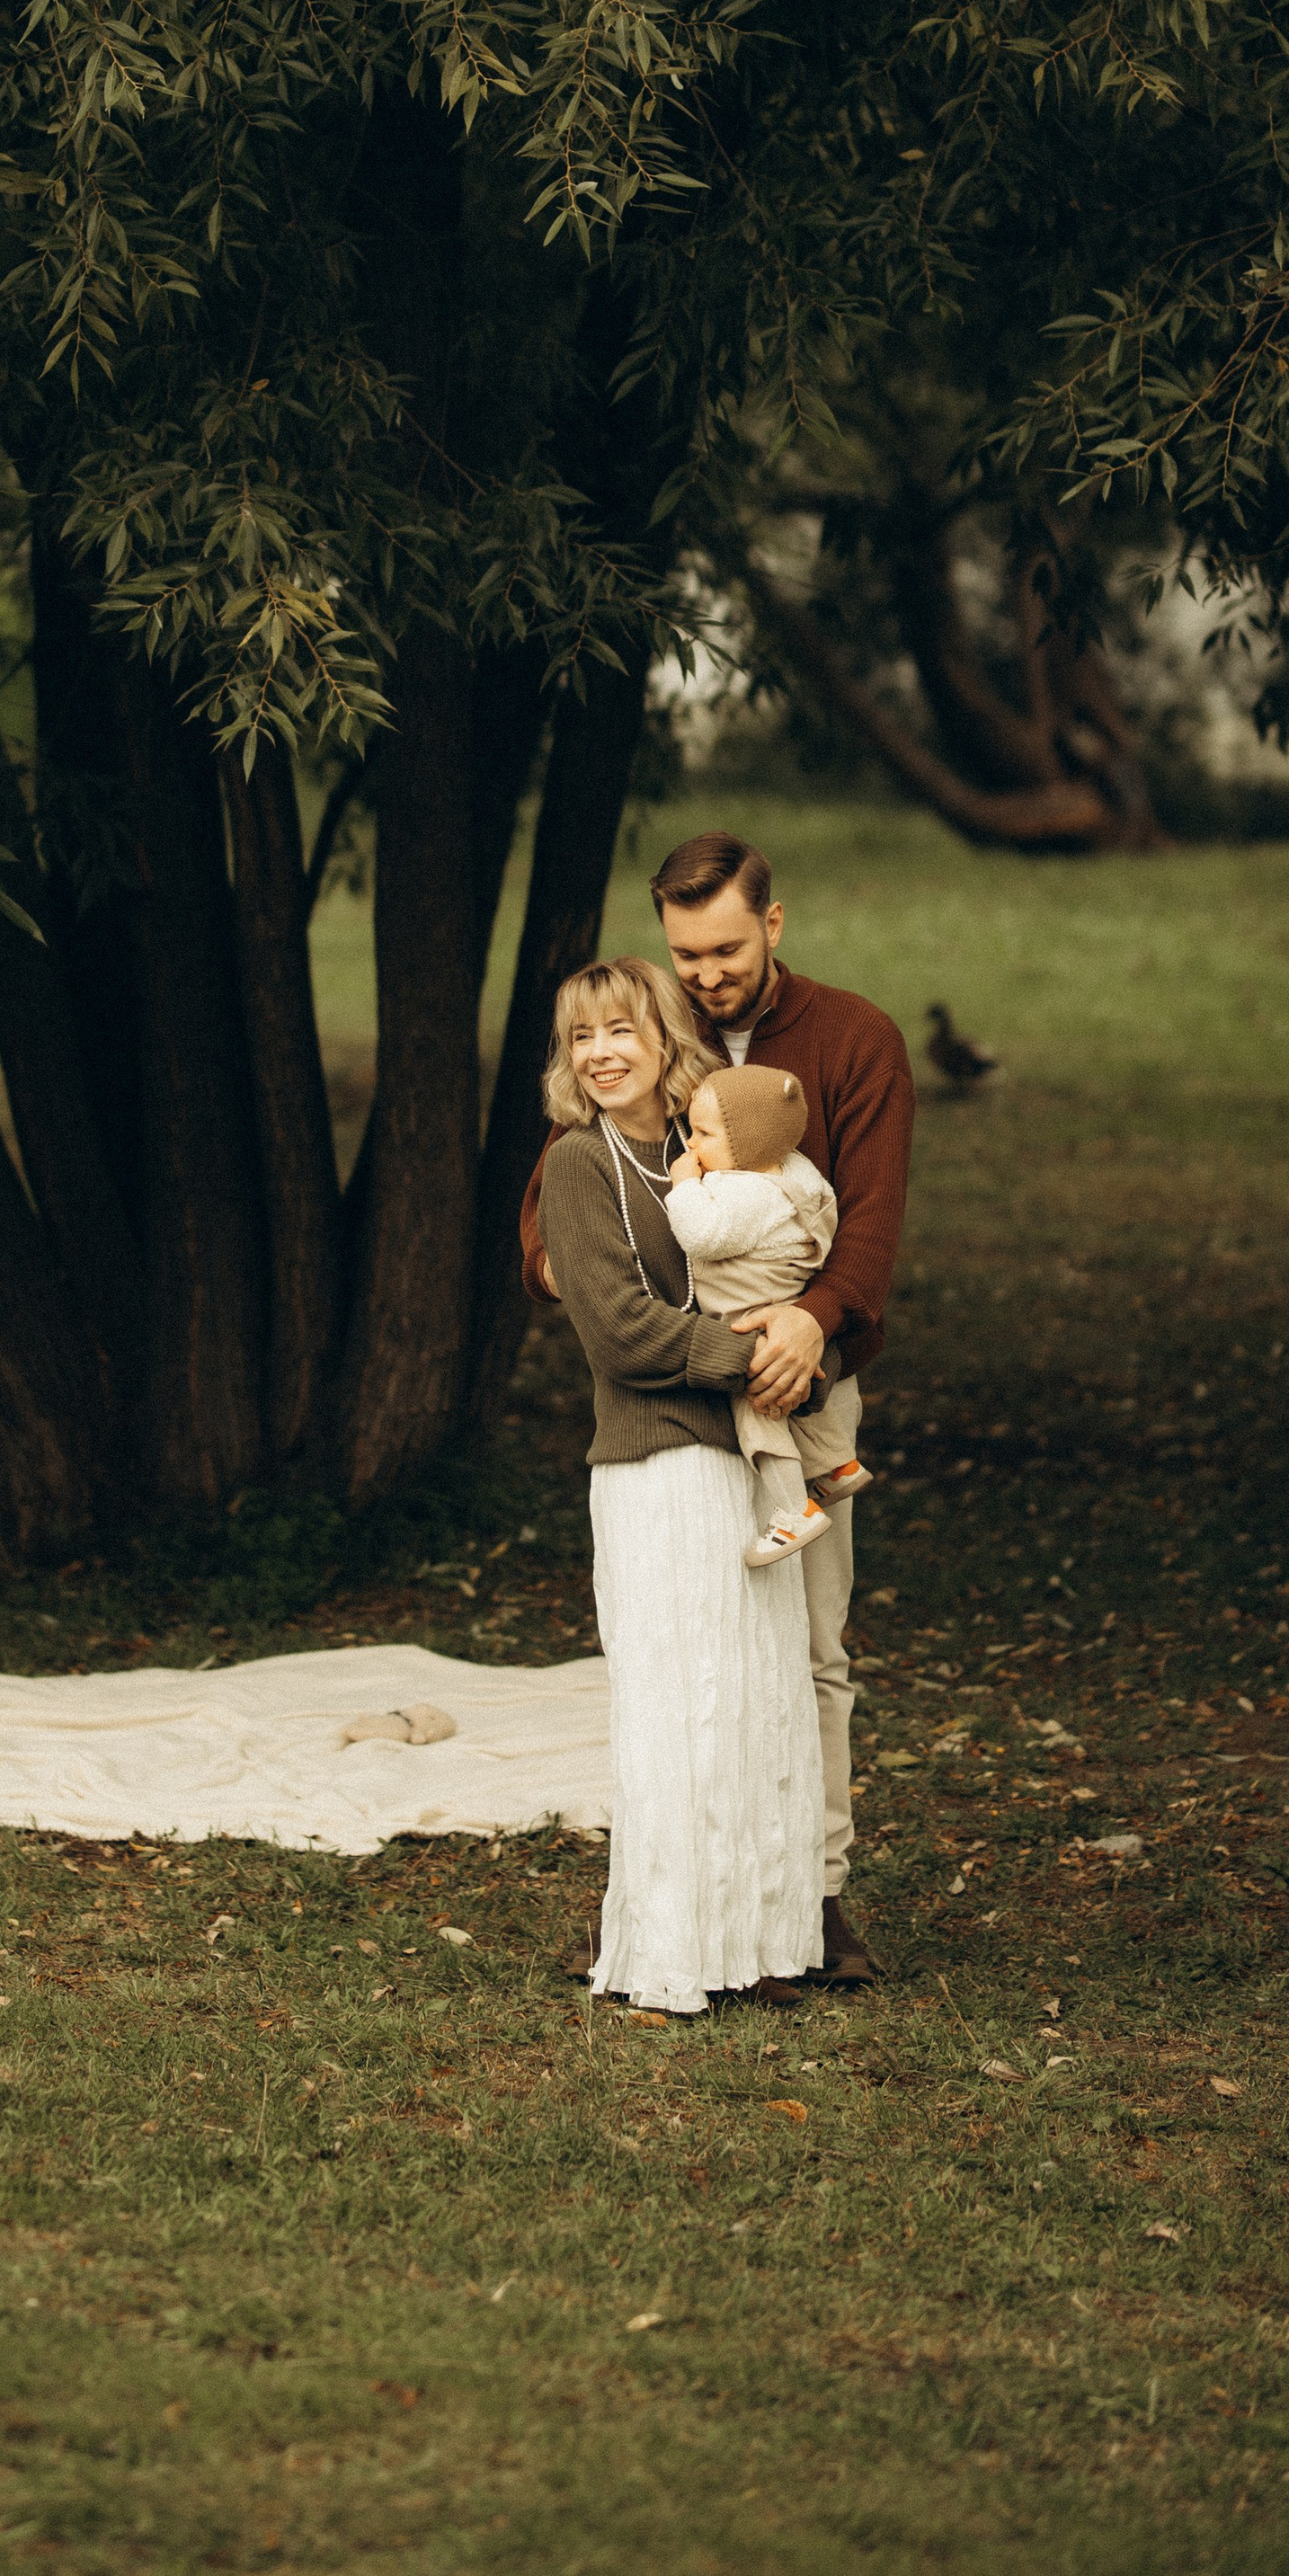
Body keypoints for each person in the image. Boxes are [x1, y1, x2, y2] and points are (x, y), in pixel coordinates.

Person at [521, 830, 913, 1987]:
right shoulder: (655, 1035)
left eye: (728, 949)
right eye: (687, 954)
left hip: (813, 1377)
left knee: (806, 1650)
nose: (708, 975)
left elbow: (874, 1218)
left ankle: (814, 1893)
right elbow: (569, 1201)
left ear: (773, 925)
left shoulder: (851, 1038)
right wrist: (569, 1268)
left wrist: (815, 1321)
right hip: (693, 1397)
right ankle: (686, 1890)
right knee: (707, 1658)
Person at [534, 956, 822, 2015]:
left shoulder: (720, 1154)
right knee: (677, 1711)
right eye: (580, 1039)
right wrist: (752, 1359)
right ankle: (670, 1956)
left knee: (757, 1703)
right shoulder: (579, 1165)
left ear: (664, 1038)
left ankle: (754, 1946)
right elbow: (620, 1334)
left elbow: (786, 1276)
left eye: (620, 1030)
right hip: (657, 1463)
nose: (602, 1053)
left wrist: (802, 1348)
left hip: (751, 1461)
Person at [666, 1062, 875, 1569]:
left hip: (749, 1318)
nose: (691, 1145)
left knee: (758, 1407)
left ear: (749, 1145)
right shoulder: (795, 1170)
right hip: (783, 1300)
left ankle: (792, 1508)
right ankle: (835, 1465)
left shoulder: (744, 1193)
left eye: (704, 1134)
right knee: (796, 1390)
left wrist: (684, 1186)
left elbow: (700, 1235)